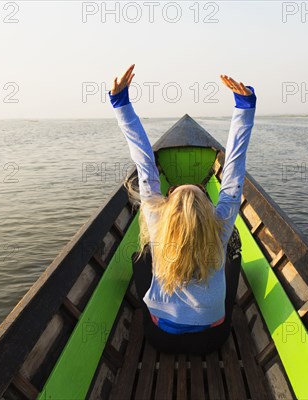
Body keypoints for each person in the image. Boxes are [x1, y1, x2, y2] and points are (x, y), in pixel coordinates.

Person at [109, 64, 256, 354]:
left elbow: (144, 162)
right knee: (233, 253)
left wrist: (120, 103)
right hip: (214, 339)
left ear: (169, 204)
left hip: (160, 337)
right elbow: (235, 166)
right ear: (206, 206)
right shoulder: (221, 226)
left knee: (141, 258)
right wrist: (245, 107)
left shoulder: (156, 219)